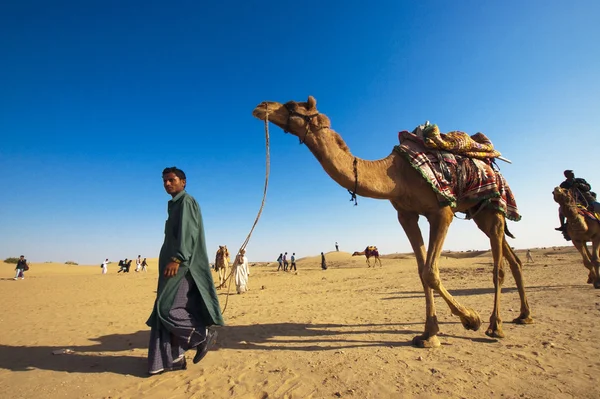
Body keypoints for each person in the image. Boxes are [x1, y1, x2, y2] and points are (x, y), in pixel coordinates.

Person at [146, 166, 223, 376]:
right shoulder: (174, 205)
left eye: (171, 180)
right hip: (172, 266)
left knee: (167, 309)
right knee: (164, 310)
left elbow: (187, 234)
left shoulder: (186, 202)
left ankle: (201, 335)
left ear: (183, 182)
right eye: (164, 181)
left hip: (181, 266)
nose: (167, 184)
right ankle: (172, 359)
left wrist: (178, 258)